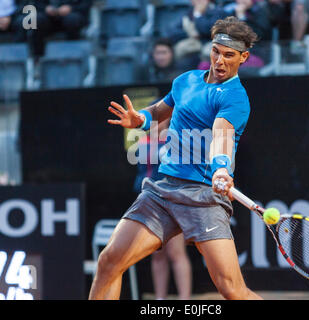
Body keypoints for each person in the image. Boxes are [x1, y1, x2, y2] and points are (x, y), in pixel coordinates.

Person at [89, 16, 263, 300]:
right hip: (162, 191)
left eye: (229, 55)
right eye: (216, 52)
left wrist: (220, 169)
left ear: (244, 57)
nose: (219, 61)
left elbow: (221, 135)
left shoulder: (235, 97)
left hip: (203, 196)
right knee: (110, 261)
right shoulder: (186, 80)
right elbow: (161, 112)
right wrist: (141, 119)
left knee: (232, 290)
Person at [133, 118, 192, 300]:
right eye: (151, 120)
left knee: (176, 252)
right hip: (151, 204)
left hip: (173, 204)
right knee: (157, 254)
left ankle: (185, 299)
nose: (155, 124)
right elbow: (142, 175)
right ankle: (160, 300)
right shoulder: (142, 144)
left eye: (159, 120)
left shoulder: (176, 141)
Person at [167, 0, 229, 70]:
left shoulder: (218, 12)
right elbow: (173, 32)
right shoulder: (188, 14)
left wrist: (198, 15)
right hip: (193, 46)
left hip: (212, 44)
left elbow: (207, 30)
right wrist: (189, 34)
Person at [27, 0, 92, 57]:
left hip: (74, 14)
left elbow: (86, 4)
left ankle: (72, 56)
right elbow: (36, 3)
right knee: (37, 20)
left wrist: (71, 8)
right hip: (49, 17)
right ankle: (38, 58)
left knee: (72, 20)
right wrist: (45, 8)